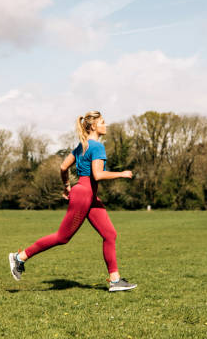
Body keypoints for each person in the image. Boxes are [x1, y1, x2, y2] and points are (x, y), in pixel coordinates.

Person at [8, 111, 137, 292]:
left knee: (110, 234)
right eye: (103, 122)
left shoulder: (82, 146)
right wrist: (121, 173)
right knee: (62, 237)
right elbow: (97, 175)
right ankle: (19, 257)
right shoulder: (97, 147)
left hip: (88, 195)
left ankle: (115, 280)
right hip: (84, 195)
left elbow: (63, 167)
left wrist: (67, 185)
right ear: (93, 126)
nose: (105, 125)